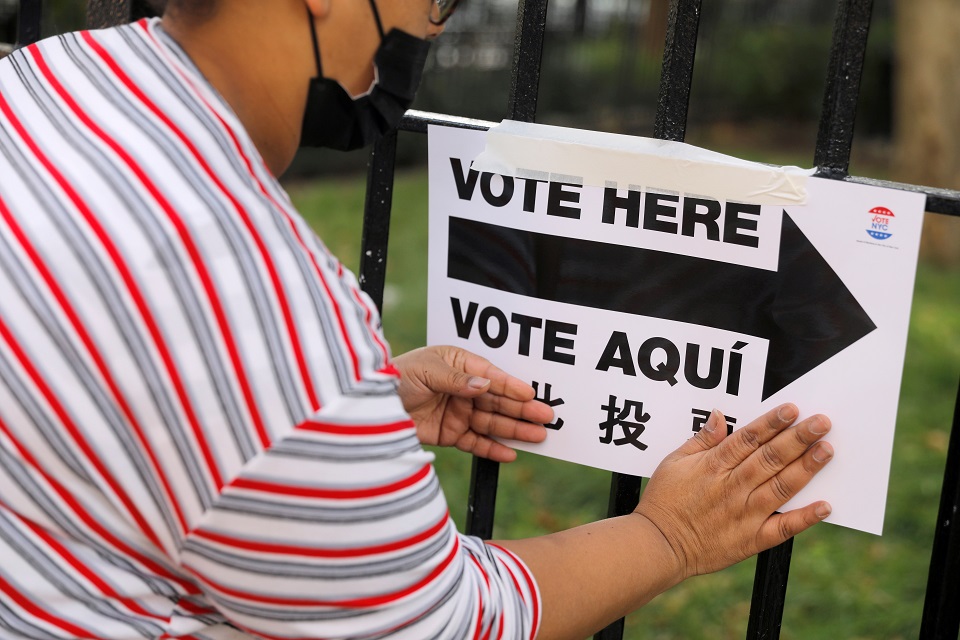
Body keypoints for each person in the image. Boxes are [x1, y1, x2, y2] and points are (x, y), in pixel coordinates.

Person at [0, 0, 834, 638]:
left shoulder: (48, 79)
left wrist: (362, 403)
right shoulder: (256, 305)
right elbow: (445, 623)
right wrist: (669, 536)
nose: (430, 30)